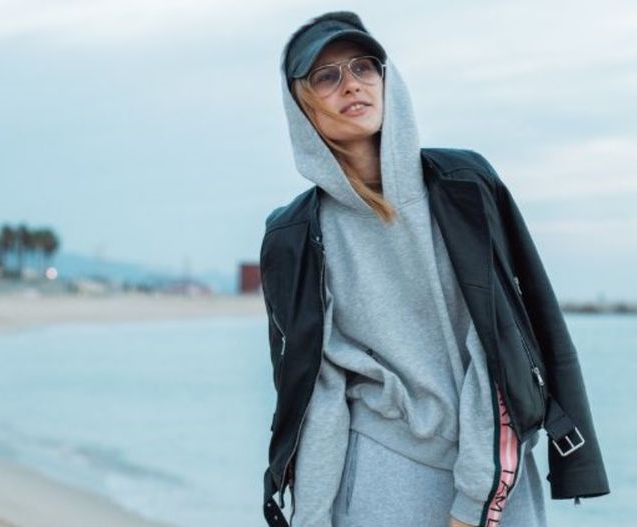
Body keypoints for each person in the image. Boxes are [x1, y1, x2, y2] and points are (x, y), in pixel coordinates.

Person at [261, 10, 610, 527]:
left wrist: (474, 501)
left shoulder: (464, 185)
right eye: (326, 76)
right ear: (300, 104)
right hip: (376, 477)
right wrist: (310, 518)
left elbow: (502, 343)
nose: (352, 84)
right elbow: (320, 395)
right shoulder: (292, 235)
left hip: (496, 471)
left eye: (364, 67)